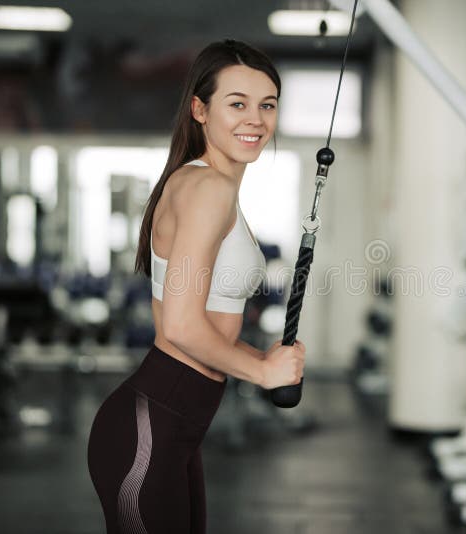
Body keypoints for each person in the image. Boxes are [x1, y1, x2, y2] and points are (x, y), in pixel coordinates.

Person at [87, 39, 306, 534]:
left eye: (267, 105)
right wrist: (262, 371)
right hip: (150, 430)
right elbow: (182, 327)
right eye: (237, 104)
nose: (256, 119)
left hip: (176, 427)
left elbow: (204, 321)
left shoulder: (212, 187)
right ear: (200, 109)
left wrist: (263, 357)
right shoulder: (206, 188)